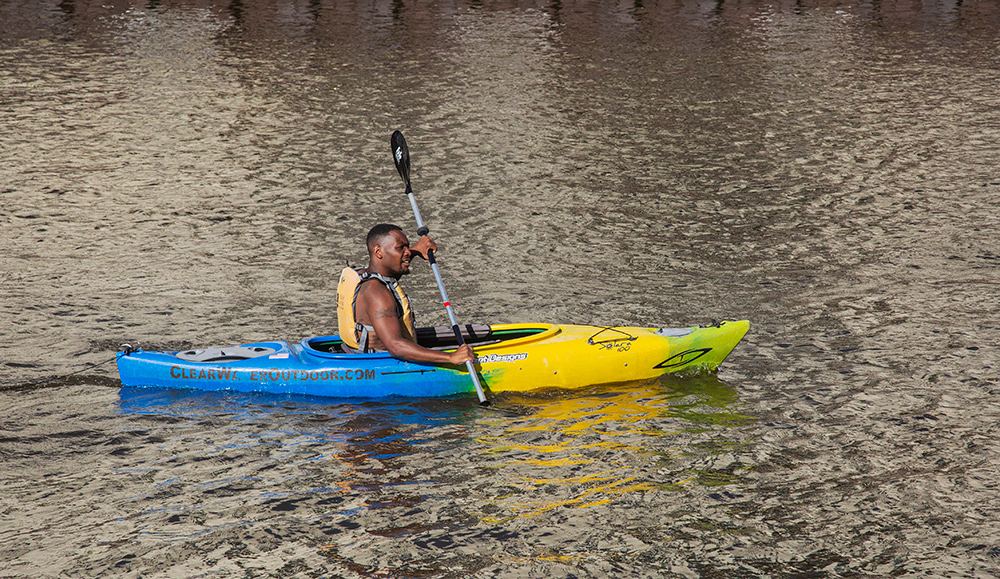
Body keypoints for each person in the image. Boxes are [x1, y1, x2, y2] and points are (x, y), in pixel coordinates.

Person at [336, 224, 475, 365]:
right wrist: (450, 357)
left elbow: (390, 270)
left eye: (407, 247)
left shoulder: (363, 275)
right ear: (378, 252)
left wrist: (416, 249)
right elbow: (396, 346)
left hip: (353, 350)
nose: (407, 252)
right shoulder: (378, 294)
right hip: (381, 364)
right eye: (400, 248)